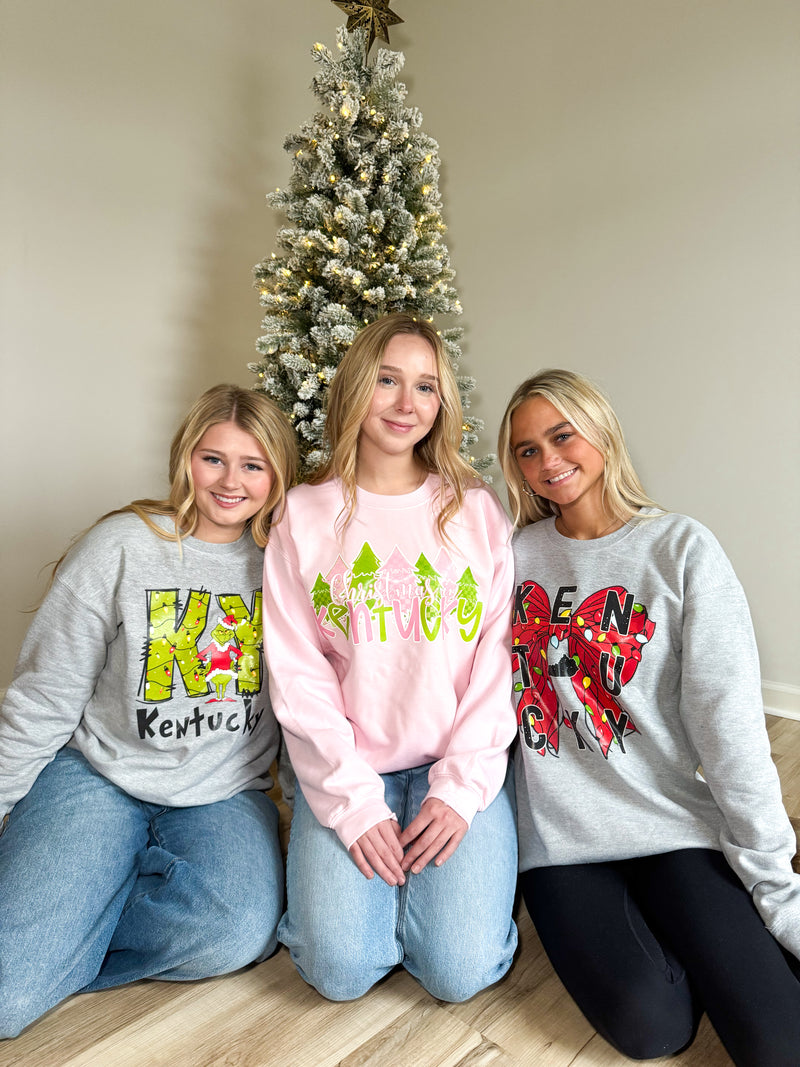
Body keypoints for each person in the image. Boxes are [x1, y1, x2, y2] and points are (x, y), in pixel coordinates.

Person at [497, 368, 800, 1066]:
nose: (547, 461)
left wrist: (774, 884)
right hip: (563, 841)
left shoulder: (680, 548)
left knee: (778, 1041)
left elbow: (728, 727)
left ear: (602, 433)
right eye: (526, 450)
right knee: (653, 1028)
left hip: (671, 823)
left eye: (562, 436)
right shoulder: (512, 557)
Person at [0, 384, 297, 1039]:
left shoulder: (289, 565)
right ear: (185, 458)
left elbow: (311, 707)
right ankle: (47, 927)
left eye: (252, 465)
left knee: (236, 932)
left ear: (278, 474)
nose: (230, 481)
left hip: (223, 792)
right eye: (213, 459)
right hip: (98, 775)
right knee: (6, 997)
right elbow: (44, 696)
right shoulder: (120, 546)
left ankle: (71, 922)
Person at [263, 313, 518, 1002]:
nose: (408, 404)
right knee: (338, 971)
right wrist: (352, 804)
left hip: (455, 763)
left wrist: (460, 789)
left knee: (458, 972)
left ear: (442, 402)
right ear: (355, 386)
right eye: (387, 381)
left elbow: (498, 663)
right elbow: (299, 676)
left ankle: (434, 908)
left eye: (426, 386)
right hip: (349, 766)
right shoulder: (302, 515)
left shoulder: (475, 510)